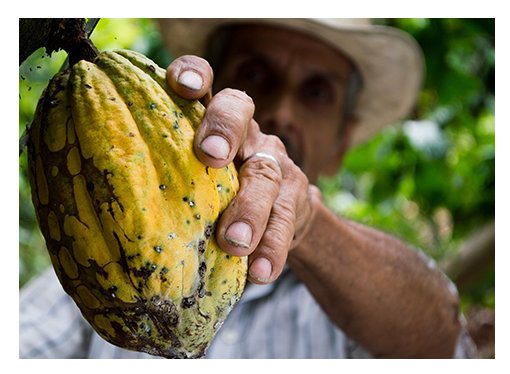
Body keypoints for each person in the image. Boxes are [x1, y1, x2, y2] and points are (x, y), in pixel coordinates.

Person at [19, 18, 477, 359]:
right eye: (256, 76)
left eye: (317, 92)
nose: (280, 111)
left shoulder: (356, 308)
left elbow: (440, 337)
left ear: (342, 142)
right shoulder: (96, 263)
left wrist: (306, 223)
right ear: (202, 91)